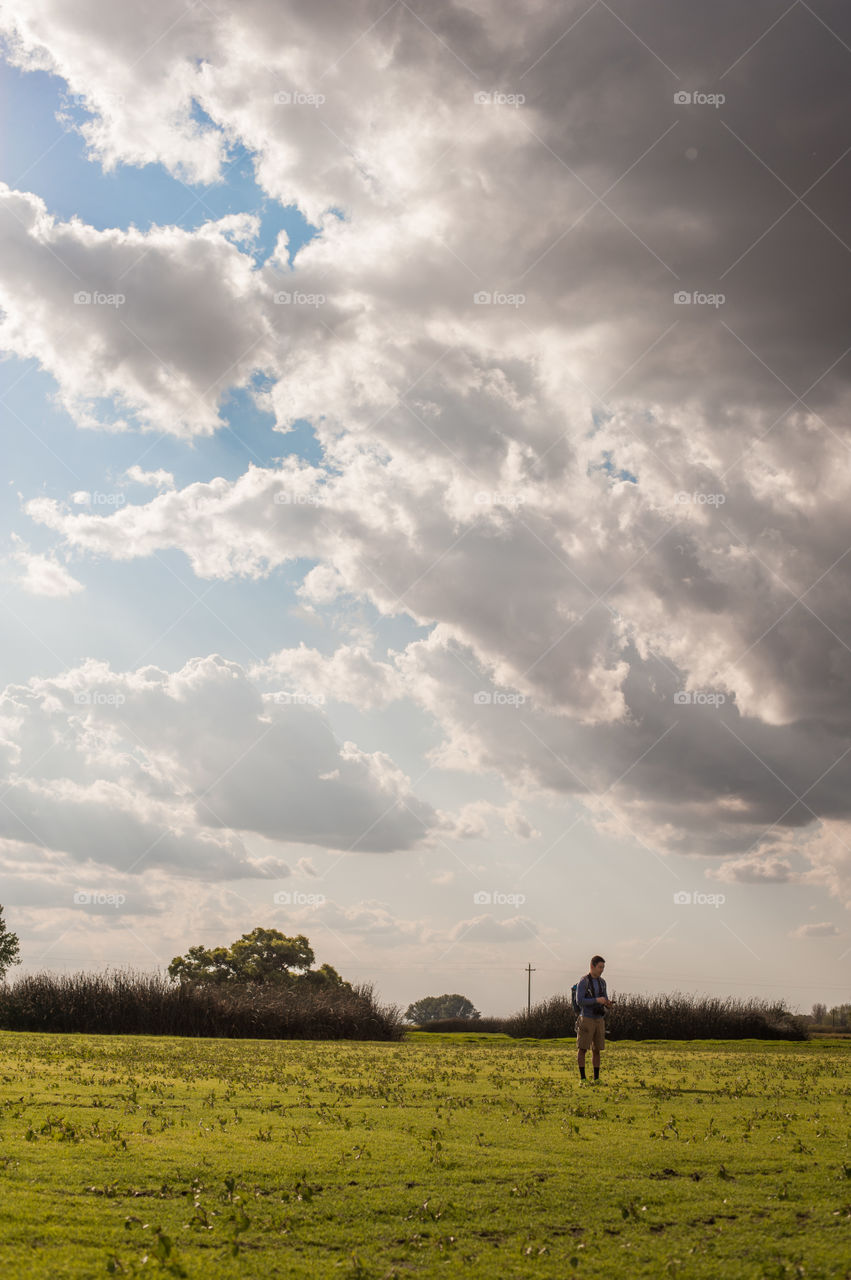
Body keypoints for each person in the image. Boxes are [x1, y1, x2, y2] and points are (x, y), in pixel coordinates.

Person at [576, 954, 612, 1083]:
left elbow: (605, 998)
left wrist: (607, 1003)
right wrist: (596, 1000)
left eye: (603, 967)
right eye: (600, 967)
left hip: (599, 1019)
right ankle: (583, 1078)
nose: (602, 970)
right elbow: (579, 1000)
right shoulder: (583, 981)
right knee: (583, 1049)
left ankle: (596, 1079)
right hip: (586, 1018)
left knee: (597, 1050)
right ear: (592, 966)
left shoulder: (603, 982)